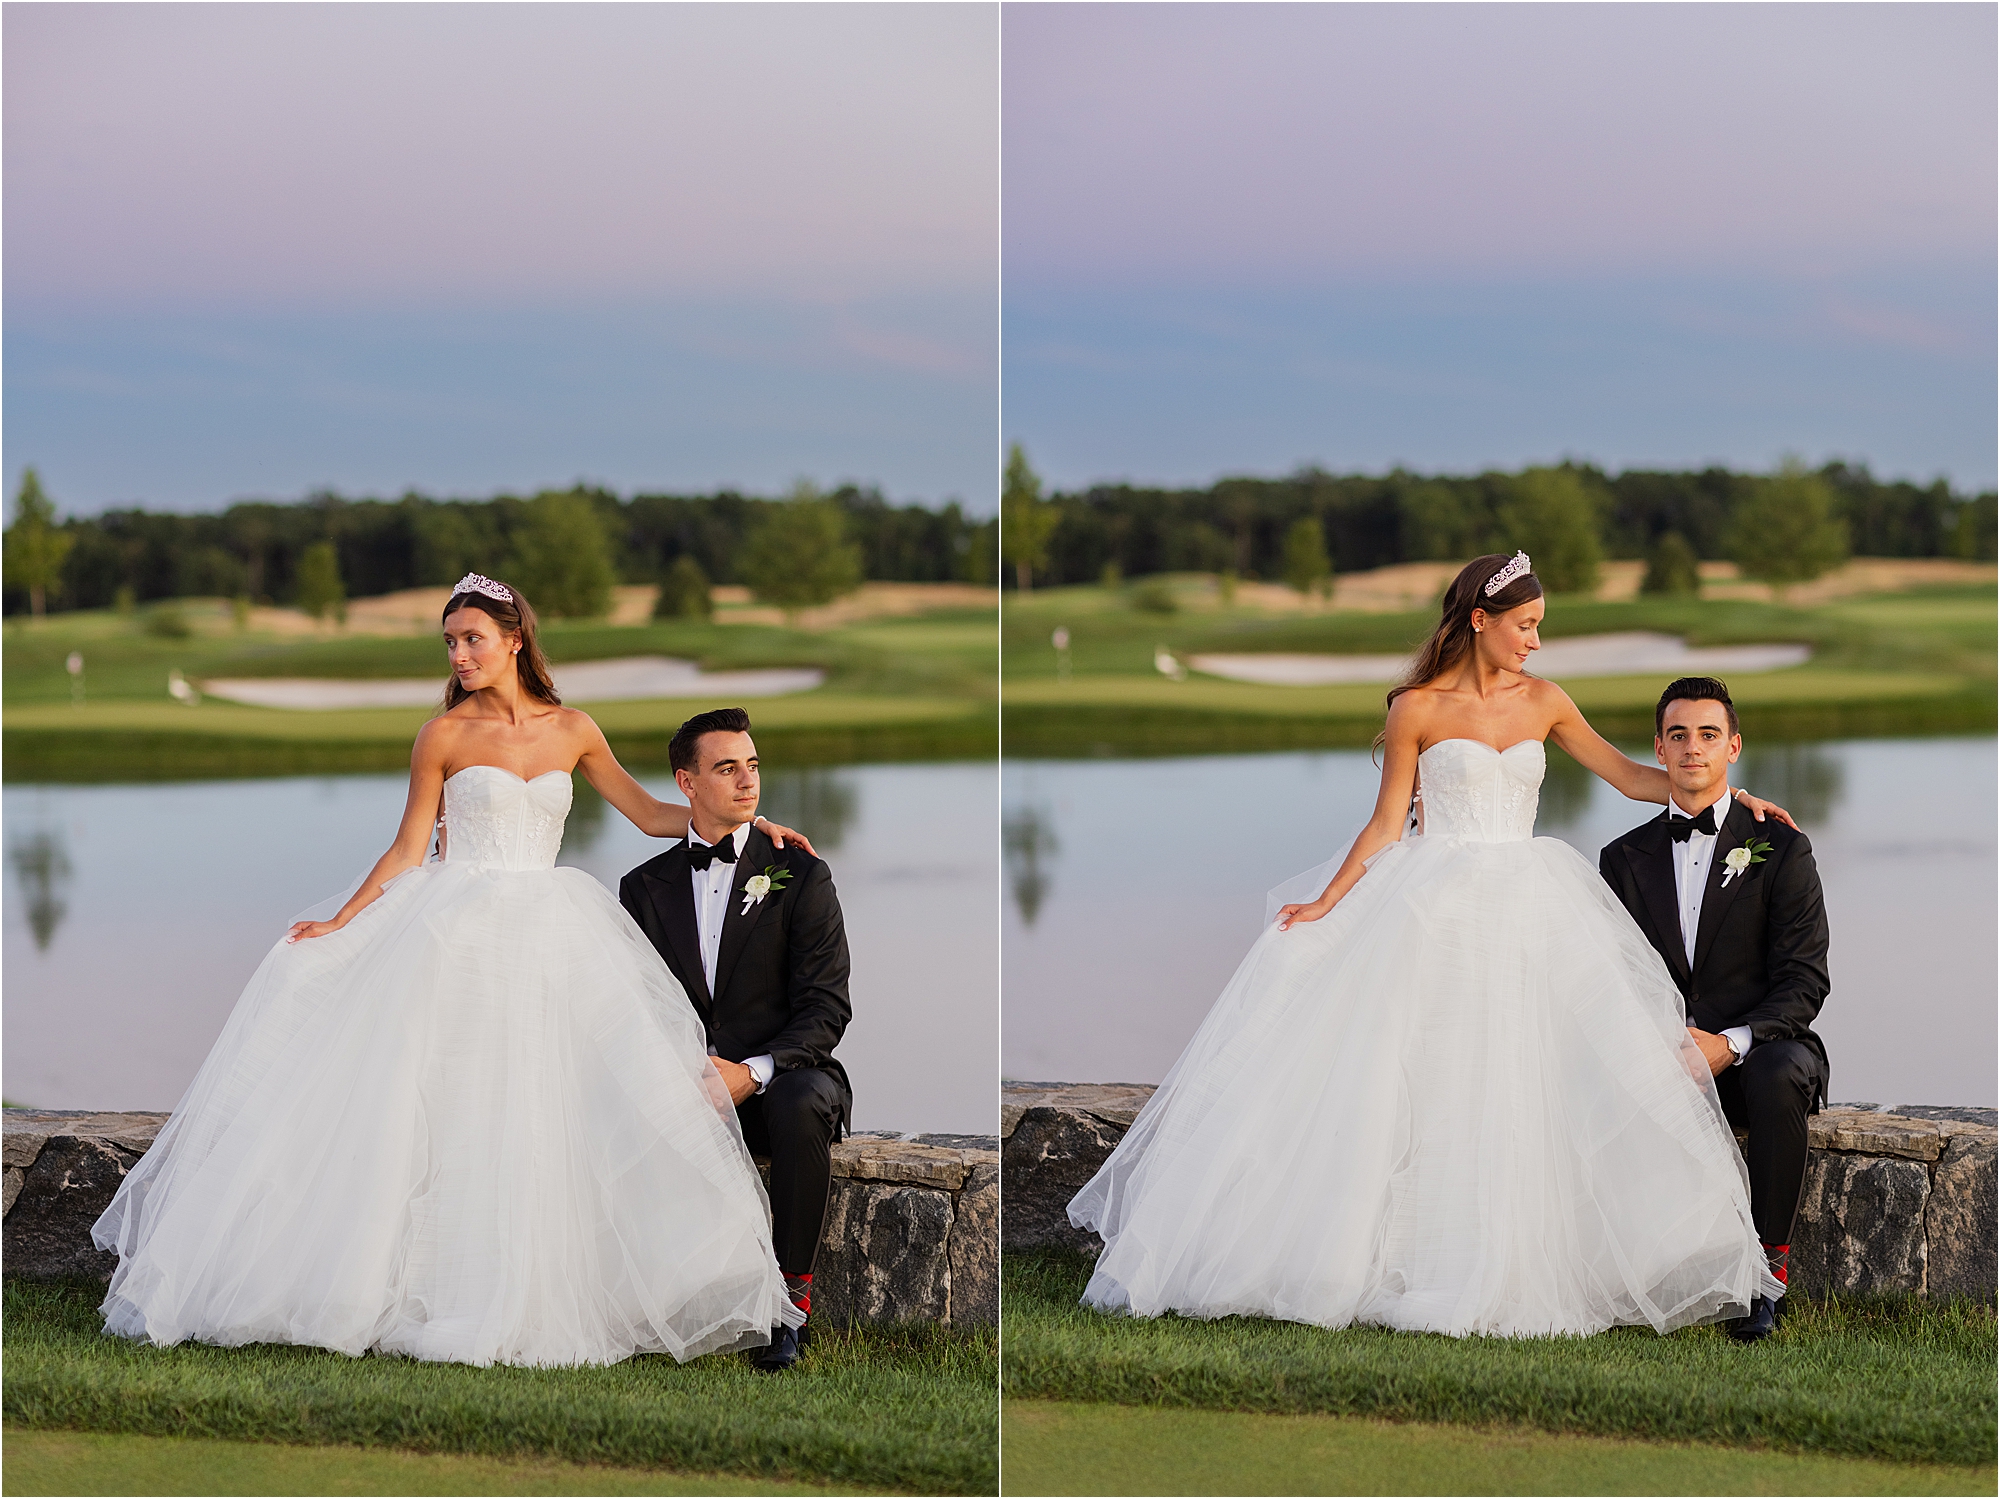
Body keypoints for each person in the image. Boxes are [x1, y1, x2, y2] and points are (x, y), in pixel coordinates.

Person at [92, 574, 819, 1368]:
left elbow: (648, 814)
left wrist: (746, 826)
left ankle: (539, 1286)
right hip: (456, 931)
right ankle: (421, 1286)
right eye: (450, 642)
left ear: (514, 640)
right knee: (450, 1104)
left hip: (552, 928)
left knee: (541, 1102)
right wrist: (342, 919)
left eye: (473, 638)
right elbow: (409, 848)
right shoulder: (441, 735)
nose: (460, 655)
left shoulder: (573, 728)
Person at [1069, 551, 1794, 1337]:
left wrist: (1728, 797)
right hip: (1433, 906)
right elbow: (1387, 823)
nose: (1535, 641)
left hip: (1530, 901)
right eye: (1525, 625)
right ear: (1480, 620)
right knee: (1429, 1077)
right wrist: (1328, 901)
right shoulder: (1415, 709)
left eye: (1539, 626)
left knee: (1517, 1074)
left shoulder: (1546, 700)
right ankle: (1407, 1257)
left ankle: (1513, 1257)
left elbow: (1630, 777)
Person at [619, 708, 853, 1372]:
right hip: (687, 1081)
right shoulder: (642, 888)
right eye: (727, 768)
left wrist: (751, 1071)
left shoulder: (801, 872)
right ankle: (654, 1298)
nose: (748, 781)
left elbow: (827, 1006)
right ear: (686, 782)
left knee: (801, 1103)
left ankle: (790, 1305)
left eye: (752, 765)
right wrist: (683, 1071)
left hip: (786, 1073)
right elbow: (633, 1009)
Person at [1600, 676, 1831, 1343]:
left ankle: (1767, 1273)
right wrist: (1662, 1042)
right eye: (1678, 735)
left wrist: (1728, 1042)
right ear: (1658, 748)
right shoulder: (1621, 859)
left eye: (1708, 734)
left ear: (1733, 746)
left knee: (1779, 1073)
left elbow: (1804, 980)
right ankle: (1634, 1269)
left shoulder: (1782, 847)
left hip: (1763, 1048)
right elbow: (1611, 979)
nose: (1692, 748)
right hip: (1665, 1054)